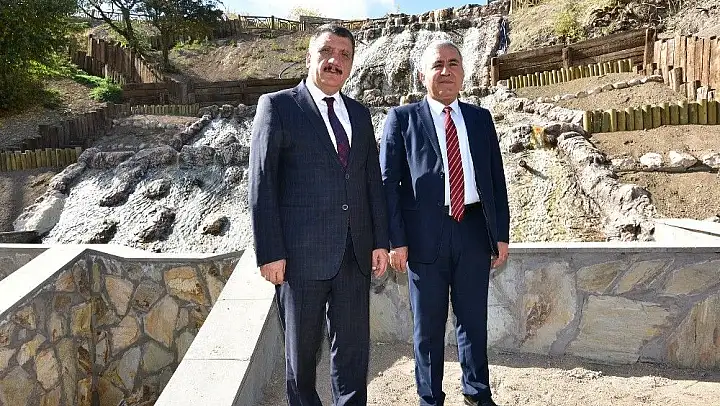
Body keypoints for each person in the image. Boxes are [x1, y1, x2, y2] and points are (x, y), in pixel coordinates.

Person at [248, 24, 389, 406]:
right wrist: (270, 252)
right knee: (302, 357)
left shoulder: (359, 114)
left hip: (354, 255)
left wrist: (380, 241)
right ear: (309, 56)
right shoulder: (277, 106)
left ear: (352, 64)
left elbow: (371, 182)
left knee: (353, 353)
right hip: (299, 260)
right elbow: (262, 183)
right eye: (327, 51)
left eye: (344, 55)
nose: (334, 61)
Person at [379, 40, 510, 406]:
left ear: (463, 72)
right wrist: (396, 240)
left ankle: (477, 393)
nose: (446, 71)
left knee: (473, 320)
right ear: (423, 75)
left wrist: (500, 234)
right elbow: (388, 185)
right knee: (428, 327)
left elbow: (496, 180)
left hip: (473, 229)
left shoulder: (480, 119)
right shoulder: (402, 119)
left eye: (453, 63)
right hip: (424, 237)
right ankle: (430, 398)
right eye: (438, 65)